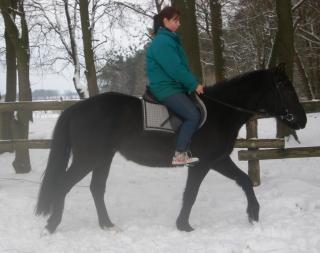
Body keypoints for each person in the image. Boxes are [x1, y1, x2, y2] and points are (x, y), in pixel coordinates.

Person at [146, 6, 204, 166]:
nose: (178, 24)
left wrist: (193, 81)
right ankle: (179, 154)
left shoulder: (169, 40)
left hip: (173, 85)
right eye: (175, 20)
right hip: (165, 87)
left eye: (179, 20)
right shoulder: (162, 42)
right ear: (165, 21)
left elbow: (181, 67)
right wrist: (193, 83)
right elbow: (175, 68)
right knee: (193, 115)